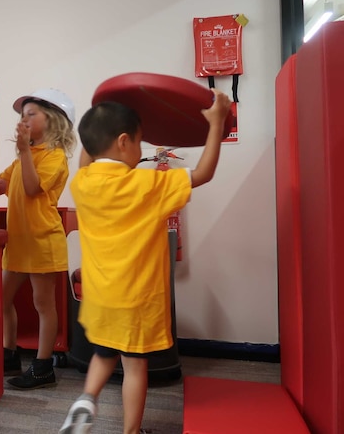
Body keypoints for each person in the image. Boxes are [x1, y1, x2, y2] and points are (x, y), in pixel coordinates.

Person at [59, 89, 232, 434]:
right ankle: (131, 431)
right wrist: (216, 123)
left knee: (104, 354)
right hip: (136, 299)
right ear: (124, 142)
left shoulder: (83, 183)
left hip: (99, 296)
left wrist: (96, 122)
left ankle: (87, 398)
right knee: (134, 367)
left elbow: (85, 160)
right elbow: (203, 173)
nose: (141, 151)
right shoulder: (147, 183)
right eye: (140, 142)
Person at [0, 88, 76, 390]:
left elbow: (31, 189)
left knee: (43, 304)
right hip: (18, 241)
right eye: (22, 114)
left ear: (53, 121)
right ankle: (9, 353)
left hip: (43, 240)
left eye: (32, 113)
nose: (25, 119)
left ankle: (43, 367)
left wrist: (24, 152)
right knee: (1, 299)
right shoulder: (22, 159)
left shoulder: (55, 157)